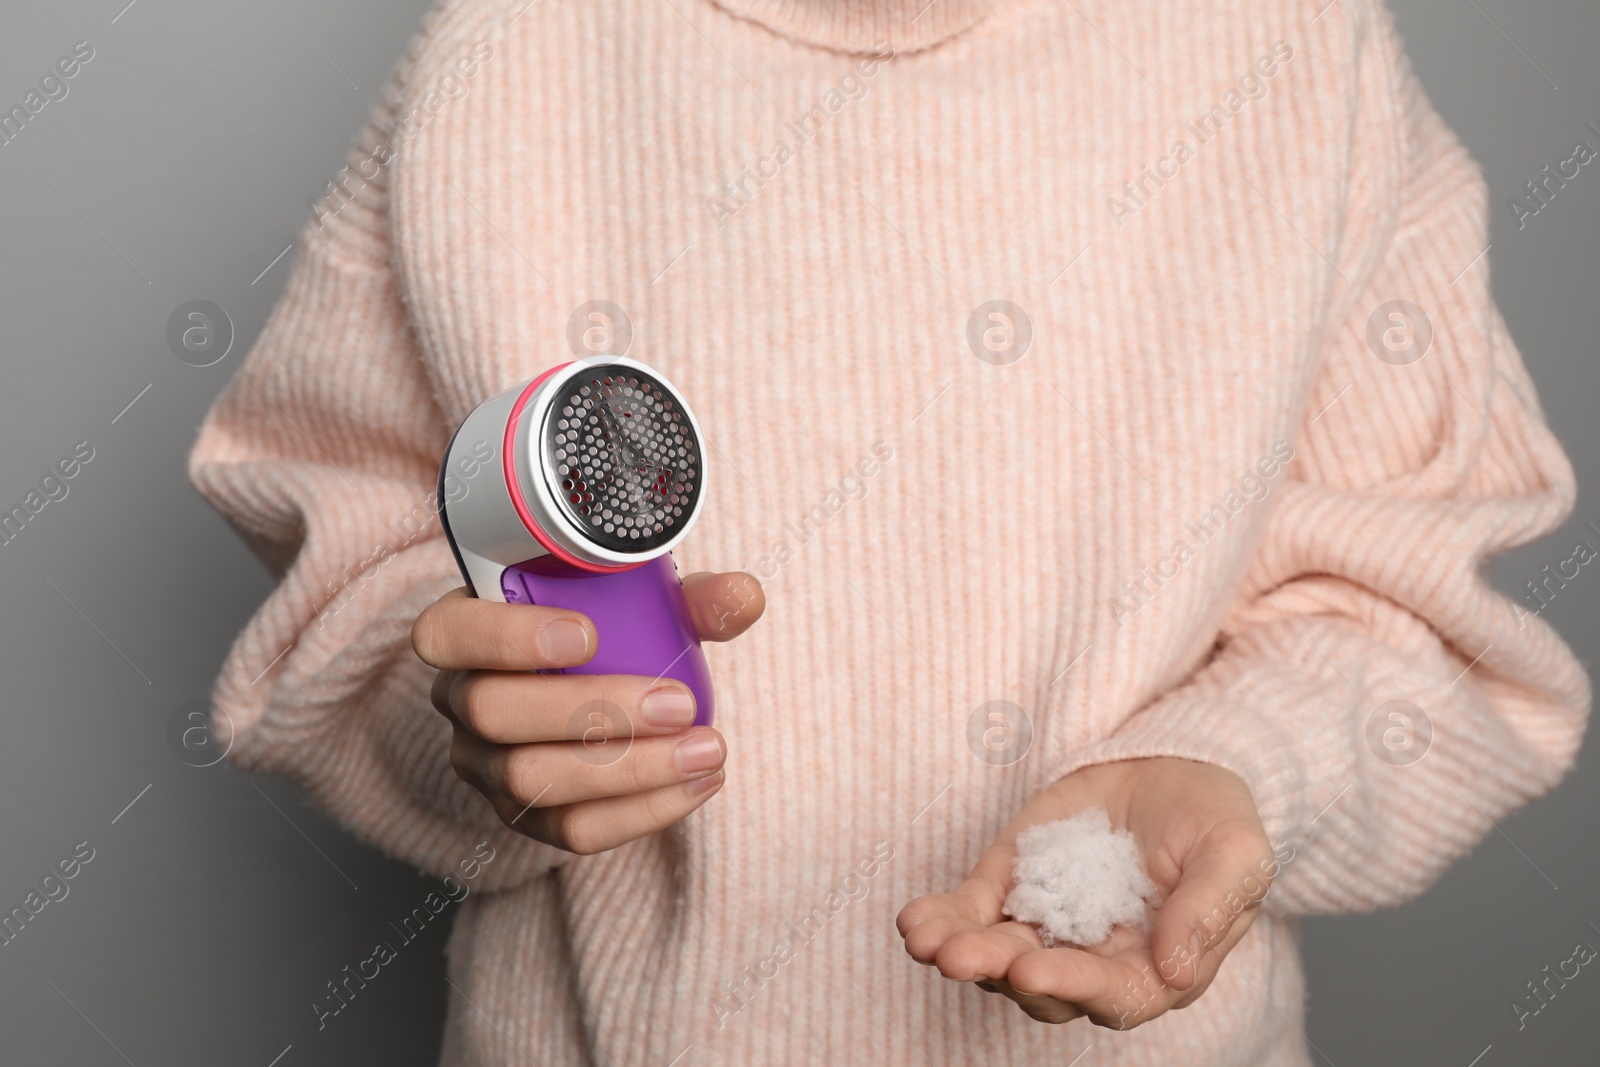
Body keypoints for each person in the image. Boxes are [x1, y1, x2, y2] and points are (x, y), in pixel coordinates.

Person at [188, 0, 1590, 1063]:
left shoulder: (1297, 48)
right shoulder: (514, 52)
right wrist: (477, 731)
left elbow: (1424, 625)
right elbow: (343, 585)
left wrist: (1243, 766)